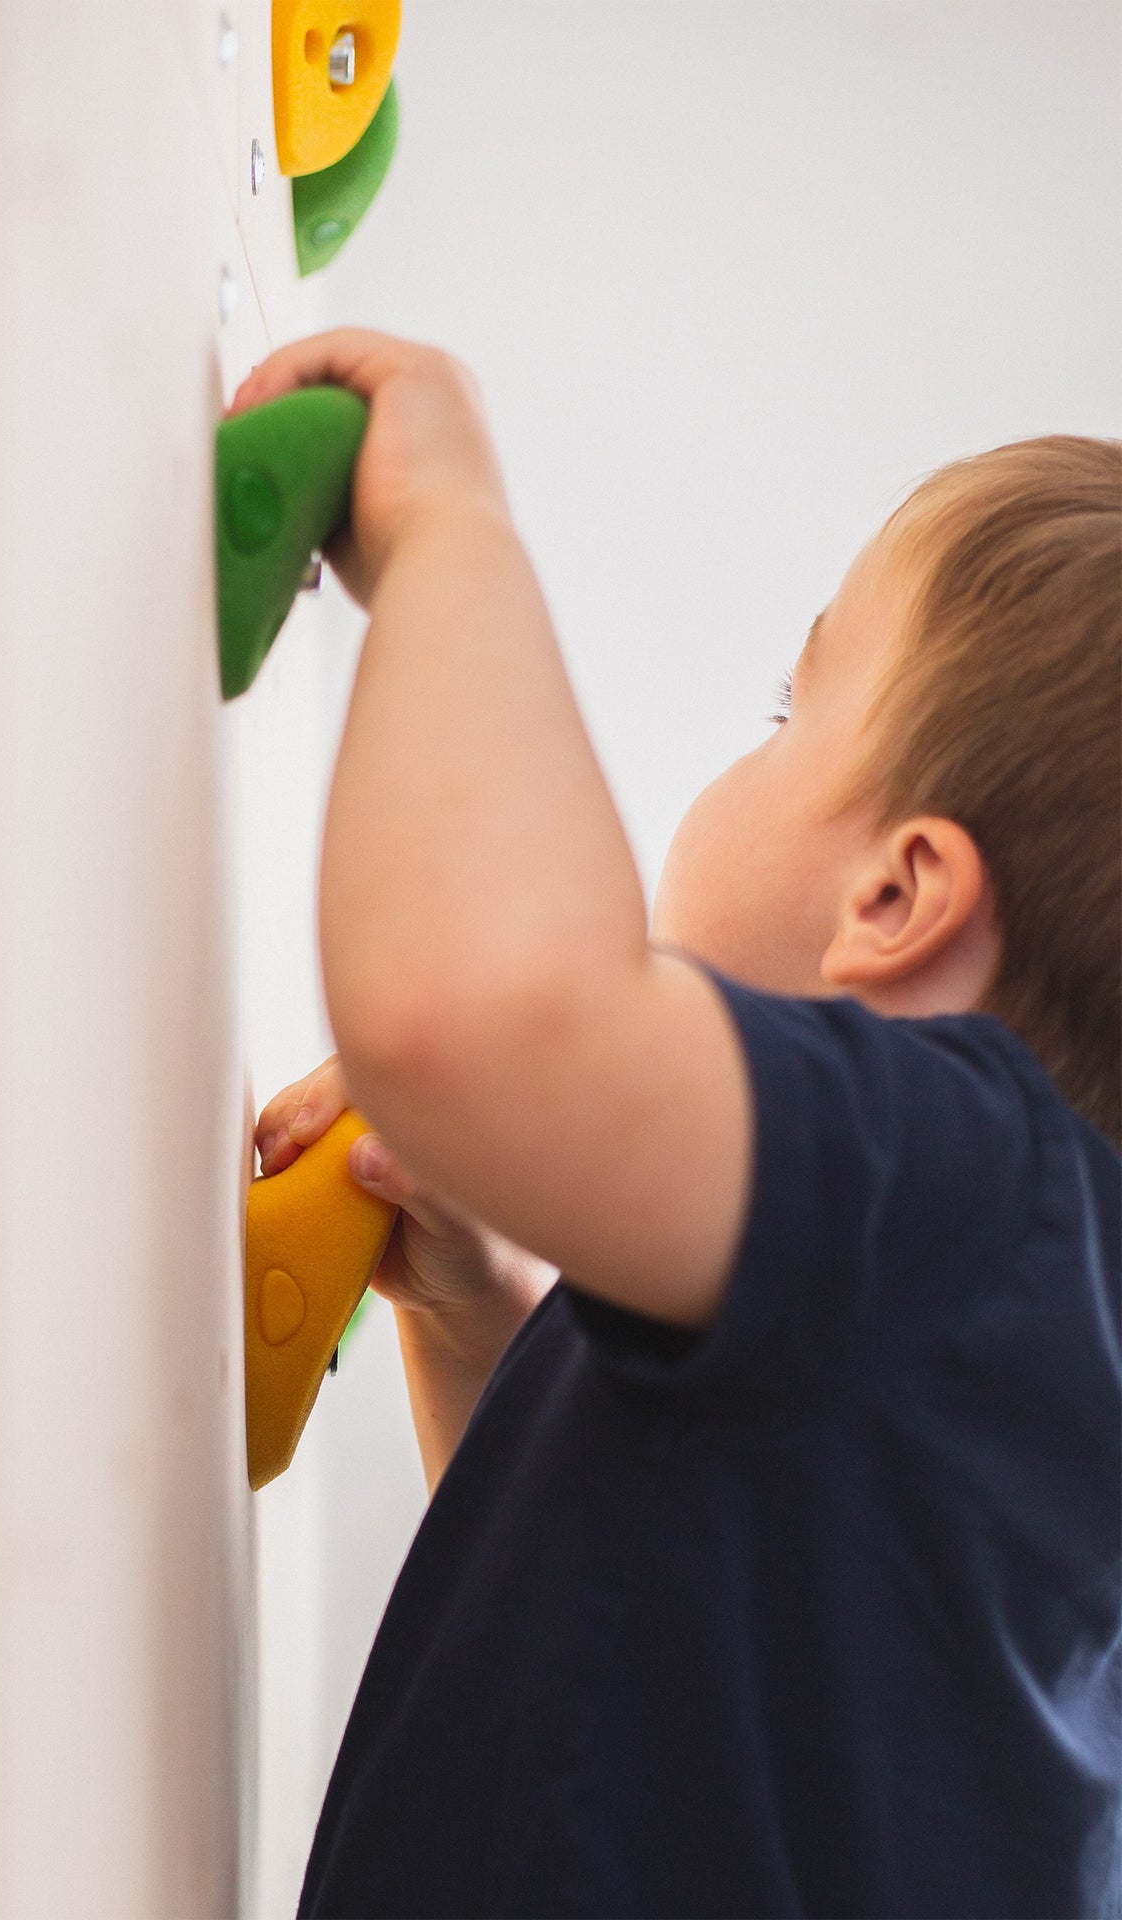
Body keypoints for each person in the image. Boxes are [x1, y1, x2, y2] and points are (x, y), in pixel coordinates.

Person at [234, 330, 1121, 1919]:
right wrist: (485, 1337)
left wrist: (449, 532)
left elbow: (476, 1007)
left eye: (795, 708)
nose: (757, 737)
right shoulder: (985, 1312)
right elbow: (645, 1629)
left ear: (898, 896)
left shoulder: (961, 1185)